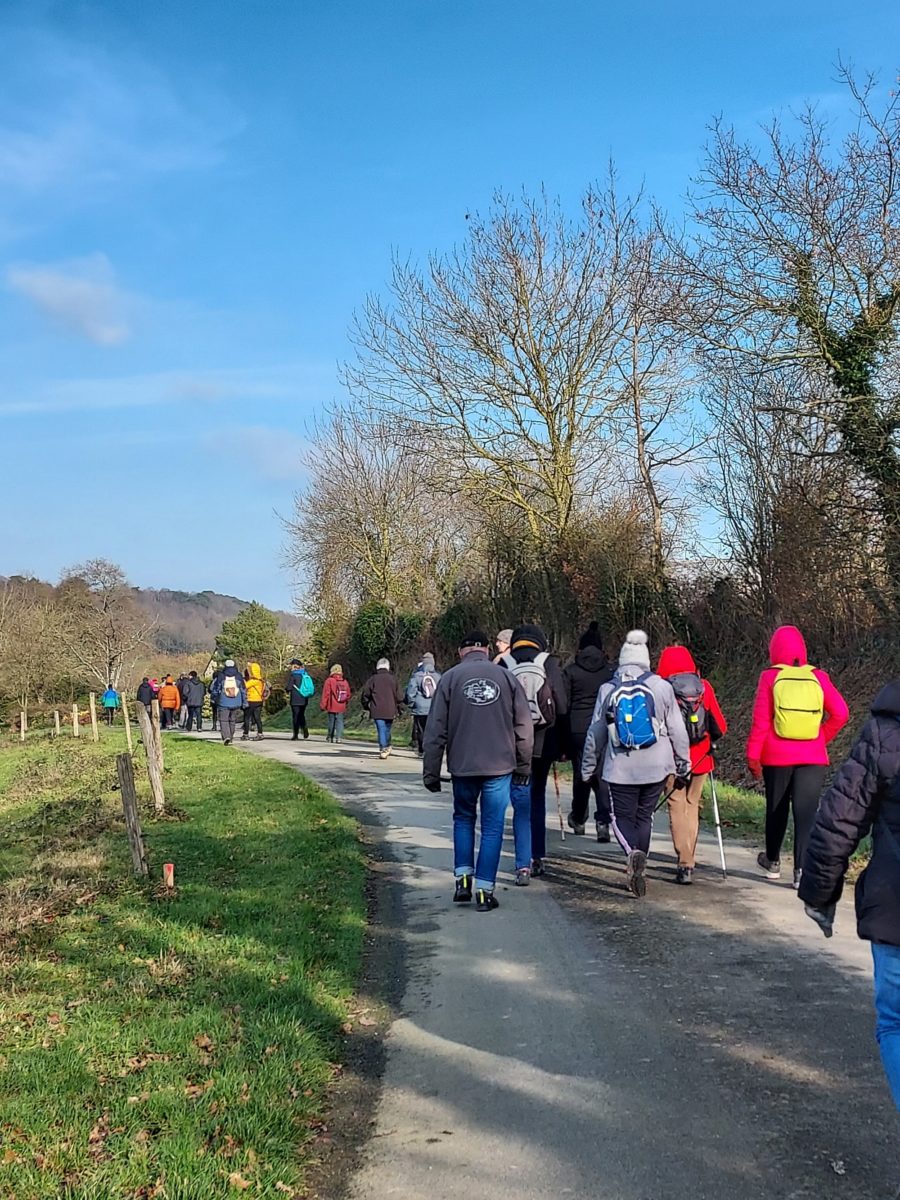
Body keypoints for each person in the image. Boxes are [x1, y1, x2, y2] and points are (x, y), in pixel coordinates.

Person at [798, 679, 900, 1115]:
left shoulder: (886, 732)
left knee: (896, 1022)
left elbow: (839, 821)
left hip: (896, 914)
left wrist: (820, 895)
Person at [423, 630, 534, 912]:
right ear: (486, 649)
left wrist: (431, 771)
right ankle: (485, 890)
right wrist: (524, 764)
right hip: (499, 766)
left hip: (463, 766)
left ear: (461, 651)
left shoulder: (449, 679)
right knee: (492, 827)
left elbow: (435, 730)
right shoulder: (506, 678)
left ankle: (462, 879)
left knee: (463, 819)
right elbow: (524, 726)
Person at [582, 630, 691, 898]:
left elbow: (595, 733)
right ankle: (640, 863)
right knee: (645, 816)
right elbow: (677, 728)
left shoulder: (608, 689)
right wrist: (683, 762)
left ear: (620, 661)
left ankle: (633, 856)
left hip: (620, 767)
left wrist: (587, 767)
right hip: (656, 765)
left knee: (621, 818)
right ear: (646, 660)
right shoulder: (662, 687)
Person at [746, 625, 849, 886]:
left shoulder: (769, 677)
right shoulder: (818, 676)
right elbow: (841, 713)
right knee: (806, 813)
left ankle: (772, 862)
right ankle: (801, 872)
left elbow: (761, 723)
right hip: (812, 758)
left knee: (776, 809)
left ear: (774, 650)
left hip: (776, 756)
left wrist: (753, 757)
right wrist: (819, 738)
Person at [657, 644, 728, 884]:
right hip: (701, 758)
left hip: (672, 758)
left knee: (676, 805)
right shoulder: (704, 687)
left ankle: (684, 861)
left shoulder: (662, 688)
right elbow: (721, 725)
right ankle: (689, 858)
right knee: (692, 803)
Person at [502, 624, 568, 883]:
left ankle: (523, 859)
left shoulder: (504, 663)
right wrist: (563, 747)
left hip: (512, 743)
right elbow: (561, 706)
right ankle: (537, 856)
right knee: (537, 797)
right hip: (544, 743)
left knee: (519, 799)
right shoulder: (549, 663)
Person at [563, 621, 614, 841]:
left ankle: (579, 817)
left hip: (578, 729)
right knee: (603, 775)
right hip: (604, 726)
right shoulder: (610, 671)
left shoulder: (571, 671)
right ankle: (603, 822)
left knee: (581, 773)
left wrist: (561, 741)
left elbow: (563, 706)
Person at [361, 658, 404, 759]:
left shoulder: (373, 679)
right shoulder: (393, 679)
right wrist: (400, 707)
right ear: (388, 667)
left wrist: (366, 705)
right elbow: (399, 696)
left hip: (377, 709)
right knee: (387, 729)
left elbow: (365, 694)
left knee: (381, 728)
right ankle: (387, 746)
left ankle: (384, 747)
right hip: (390, 709)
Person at [405, 653, 442, 755]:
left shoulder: (417, 676)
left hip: (420, 708)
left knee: (421, 730)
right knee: (432, 730)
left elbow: (411, 692)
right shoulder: (438, 676)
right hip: (434, 708)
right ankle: (431, 749)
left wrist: (412, 704)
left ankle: (422, 750)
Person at [209, 659, 246, 745]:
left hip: (223, 701)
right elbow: (243, 690)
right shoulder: (239, 676)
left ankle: (226, 736)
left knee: (224, 720)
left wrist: (214, 698)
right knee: (232, 720)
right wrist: (244, 702)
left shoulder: (221, 676)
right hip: (236, 701)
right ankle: (231, 737)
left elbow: (215, 689)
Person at [320, 664, 351, 743]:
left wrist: (323, 705)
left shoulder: (329, 681)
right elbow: (348, 694)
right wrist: (345, 702)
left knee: (331, 721)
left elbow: (325, 694)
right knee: (340, 721)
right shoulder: (344, 681)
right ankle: (339, 737)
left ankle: (330, 737)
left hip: (332, 705)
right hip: (341, 705)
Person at [286, 659, 315, 741]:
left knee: (295, 716)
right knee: (301, 715)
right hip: (304, 698)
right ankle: (304, 729)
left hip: (295, 699)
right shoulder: (305, 674)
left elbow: (288, 687)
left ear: (294, 666)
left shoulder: (293, 675)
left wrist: (287, 690)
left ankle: (295, 734)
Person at [243, 661, 267, 741]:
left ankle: (245, 734)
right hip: (259, 701)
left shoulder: (253, 681)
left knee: (247, 717)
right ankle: (260, 733)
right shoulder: (261, 681)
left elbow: (244, 686)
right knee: (257, 718)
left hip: (251, 700)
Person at [209, 666, 222, 731]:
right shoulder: (222, 681)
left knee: (214, 713)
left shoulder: (213, 682)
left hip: (214, 699)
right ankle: (222, 726)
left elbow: (209, 689)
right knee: (221, 713)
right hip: (221, 699)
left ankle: (214, 726)